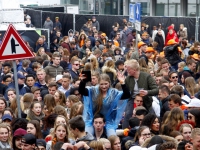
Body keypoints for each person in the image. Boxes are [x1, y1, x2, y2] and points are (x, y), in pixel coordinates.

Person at [122, 59, 158, 129]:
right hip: (133, 99)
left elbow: (156, 90)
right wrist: (122, 82)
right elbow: (125, 93)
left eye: (128, 69)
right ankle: (125, 131)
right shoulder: (128, 79)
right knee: (128, 114)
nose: (127, 71)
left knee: (152, 115)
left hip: (145, 99)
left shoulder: (146, 77)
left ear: (134, 70)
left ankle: (153, 129)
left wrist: (147, 92)